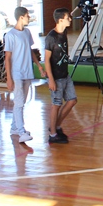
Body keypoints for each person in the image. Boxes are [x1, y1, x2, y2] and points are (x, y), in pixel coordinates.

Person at [5, 7, 41, 143]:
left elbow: (30, 50)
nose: (29, 18)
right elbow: (7, 57)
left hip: (27, 72)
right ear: (21, 17)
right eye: (27, 16)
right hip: (17, 73)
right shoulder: (10, 35)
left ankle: (14, 127)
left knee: (21, 102)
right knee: (19, 102)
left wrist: (38, 65)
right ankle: (21, 131)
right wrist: (9, 77)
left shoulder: (27, 32)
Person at [44, 8, 76, 145]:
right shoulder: (51, 37)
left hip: (65, 74)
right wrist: (51, 79)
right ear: (60, 20)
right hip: (56, 77)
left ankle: (55, 126)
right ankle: (52, 134)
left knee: (72, 100)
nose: (70, 19)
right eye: (68, 18)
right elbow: (46, 60)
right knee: (56, 104)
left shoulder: (65, 32)